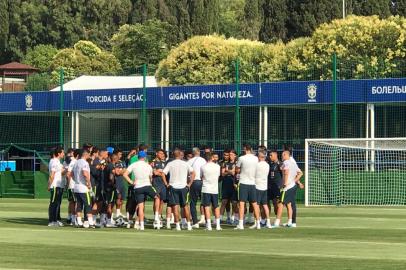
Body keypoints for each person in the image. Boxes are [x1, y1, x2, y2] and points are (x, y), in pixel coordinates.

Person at [123, 151, 162, 230]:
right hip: (147, 186)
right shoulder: (148, 166)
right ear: (145, 157)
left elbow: (125, 174)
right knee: (157, 197)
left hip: (137, 187)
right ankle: (157, 216)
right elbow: (150, 178)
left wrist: (131, 182)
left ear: (138, 157)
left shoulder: (133, 165)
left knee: (140, 207)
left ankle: (142, 226)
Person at [162, 149, 195, 231]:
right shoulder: (185, 163)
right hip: (183, 187)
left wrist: (166, 184)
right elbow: (193, 173)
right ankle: (189, 225)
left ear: (173, 155)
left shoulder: (170, 163)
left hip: (173, 187)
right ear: (180, 155)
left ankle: (177, 226)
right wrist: (189, 184)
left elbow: (163, 173)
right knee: (185, 206)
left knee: (175, 206)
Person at [273, 150, 303, 228]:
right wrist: (295, 181)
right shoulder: (293, 163)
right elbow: (300, 173)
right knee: (289, 204)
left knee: (280, 204)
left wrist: (285, 183)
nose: (282, 156)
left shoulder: (286, 163)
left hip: (286, 187)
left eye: (283, 155)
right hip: (292, 186)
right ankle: (290, 222)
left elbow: (286, 172)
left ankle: (277, 222)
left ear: (287, 155)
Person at [235, 144, 260, 230]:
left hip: (243, 183)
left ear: (245, 149)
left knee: (241, 203)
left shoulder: (241, 158)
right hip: (252, 183)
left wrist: (240, 169)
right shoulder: (256, 158)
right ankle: (258, 223)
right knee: (255, 204)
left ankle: (241, 224)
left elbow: (237, 170)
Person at [72, 149, 94, 228]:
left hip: (76, 186)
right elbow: (85, 173)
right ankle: (91, 223)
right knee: (88, 204)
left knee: (79, 205)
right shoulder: (84, 163)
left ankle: (79, 222)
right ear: (85, 154)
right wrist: (88, 183)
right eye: (89, 154)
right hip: (83, 187)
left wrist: (76, 180)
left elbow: (71, 174)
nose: (89, 155)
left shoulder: (76, 162)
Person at [201, 152, 222, 231]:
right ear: (212, 158)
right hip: (214, 189)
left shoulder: (203, 167)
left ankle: (209, 226)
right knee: (216, 206)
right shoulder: (217, 166)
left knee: (206, 206)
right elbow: (218, 176)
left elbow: (201, 176)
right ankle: (218, 225)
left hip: (206, 188)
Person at [187, 147, 207, 228]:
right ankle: (206, 220)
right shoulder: (203, 160)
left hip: (193, 182)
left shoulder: (189, 161)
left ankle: (195, 222)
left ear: (192, 153)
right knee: (205, 202)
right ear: (198, 152)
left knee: (193, 203)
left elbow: (188, 173)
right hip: (201, 182)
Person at [47, 147, 65, 227]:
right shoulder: (54, 161)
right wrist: (49, 185)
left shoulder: (58, 162)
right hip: (55, 185)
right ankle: (51, 221)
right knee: (53, 203)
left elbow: (61, 173)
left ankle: (56, 219)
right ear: (58, 153)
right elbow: (52, 175)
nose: (63, 154)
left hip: (59, 185)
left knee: (57, 203)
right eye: (62, 152)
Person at [254, 151, 271, 228]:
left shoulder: (257, 165)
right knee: (265, 205)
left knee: (256, 205)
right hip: (264, 187)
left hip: (258, 186)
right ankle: (268, 222)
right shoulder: (267, 165)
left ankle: (257, 222)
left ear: (260, 157)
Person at [151, 149, 169, 221]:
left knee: (162, 200)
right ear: (156, 153)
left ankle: (159, 215)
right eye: (161, 153)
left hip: (163, 183)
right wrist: (162, 173)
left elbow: (166, 173)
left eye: (163, 154)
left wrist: (161, 172)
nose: (163, 155)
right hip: (156, 183)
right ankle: (156, 215)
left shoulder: (164, 163)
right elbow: (155, 173)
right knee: (156, 199)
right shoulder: (153, 162)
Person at [267, 150, 283, 216]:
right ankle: (266, 219)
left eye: (271, 155)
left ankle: (277, 218)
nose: (270, 157)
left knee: (275, 203)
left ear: (275, 155)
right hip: (269, 186)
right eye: (269, 155)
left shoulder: (280, 164)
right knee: (266, 202)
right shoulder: (270, 164)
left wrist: (282, 184)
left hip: (277, 186)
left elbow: (284, 174)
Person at [66, 149, 79, 226]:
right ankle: (73, 219)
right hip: (73, 186)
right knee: (73, 202)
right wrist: (68, 184)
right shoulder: (74, 162)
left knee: (73, 202)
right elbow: (68, 174)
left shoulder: (74, 162)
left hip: (73, 185)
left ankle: (72, 218)